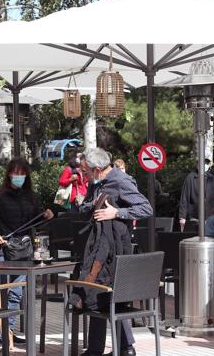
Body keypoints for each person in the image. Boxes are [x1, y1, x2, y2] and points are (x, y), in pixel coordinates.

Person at [73, 147, 153, 356]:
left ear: (98, 169)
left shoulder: (120, 181)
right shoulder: (96, 183)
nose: (84, 176)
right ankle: (112, 348)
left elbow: (146, 208)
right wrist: (91, 205)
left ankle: (113, 348)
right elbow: (85, 209)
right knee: (99, 294)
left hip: (116, 249)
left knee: (104, 293)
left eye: (87, 172)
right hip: (97, 246)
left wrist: (116, 212)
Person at [0, 158, 54, 346]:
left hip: (25, 251)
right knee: (1, 294)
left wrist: (47, 216)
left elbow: (36, 220)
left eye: (22, 173)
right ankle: (0, 336)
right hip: (3, 251)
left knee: (16, 294)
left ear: (26, 175)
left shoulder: (32, 197)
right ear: (9, 174)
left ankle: (5, 334)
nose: (18, 176)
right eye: (14, 173)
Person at [178, 159, 214, 231]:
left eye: (206, 163)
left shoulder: (211, 178)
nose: (204, 165)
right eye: (201, 163)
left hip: (209, 217)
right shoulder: (190, 178)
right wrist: (182, 217)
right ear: (197, 164)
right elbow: (184, 198)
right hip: (195, 217)